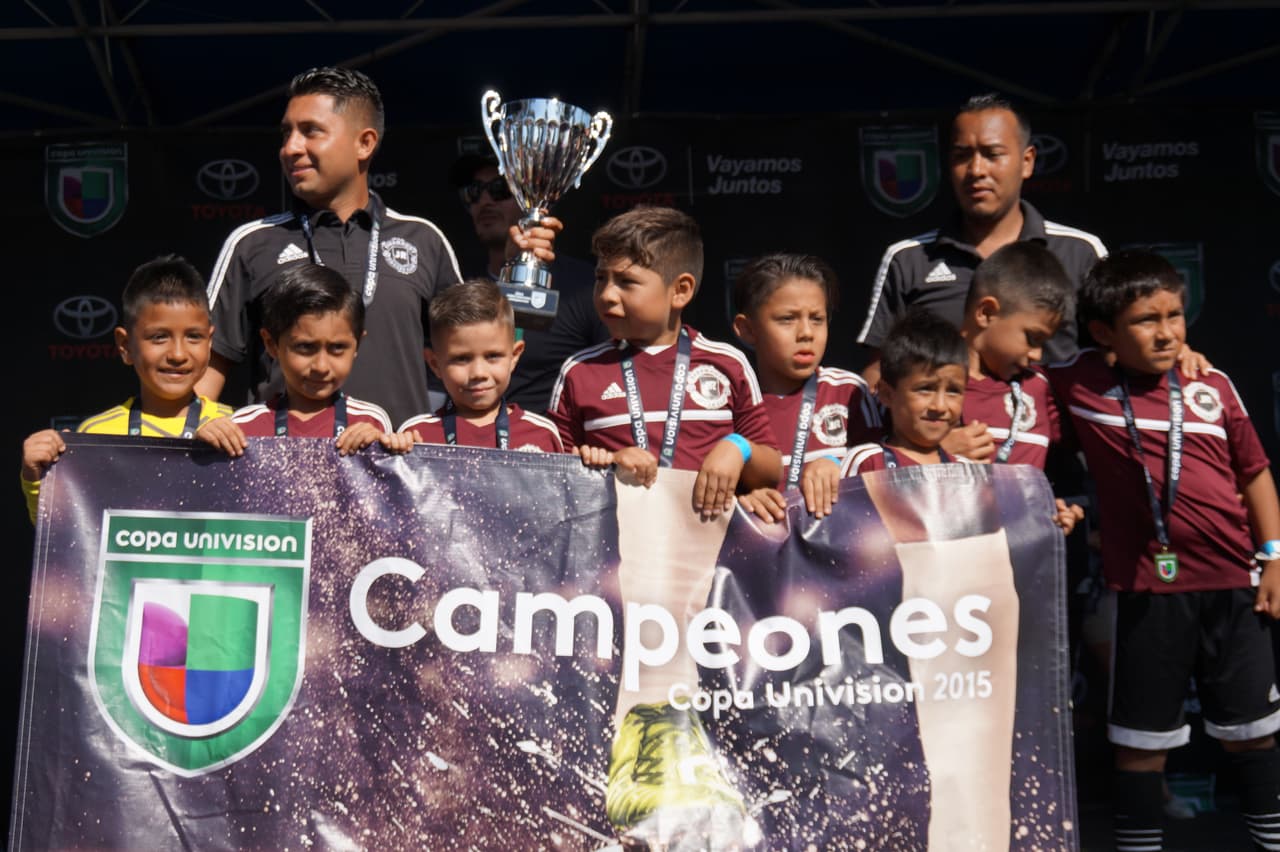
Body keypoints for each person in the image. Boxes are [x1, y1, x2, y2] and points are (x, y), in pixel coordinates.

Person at [1046, 250, 1280, 852]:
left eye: (1174, 315)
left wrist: (1275, 556)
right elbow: (1013, 392)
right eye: (1146, 320)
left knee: (1252, 735)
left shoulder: (1211, 384)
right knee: (1141, 745)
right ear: (1104, 333)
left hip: (1234, 586)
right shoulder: (1075, 382)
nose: (1167, 332)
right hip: (1147, 593)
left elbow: (1255, 473)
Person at [196, 66, 558, 429]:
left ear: (365, 143)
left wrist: (516, 277)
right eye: (286, 133)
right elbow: (204, 376)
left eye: (310, 131)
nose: (290, 148)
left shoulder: (424, 240)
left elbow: (478, 347)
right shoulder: (252, 243)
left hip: (399, 459)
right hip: (285, 458)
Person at [856, 94, 1106, 423]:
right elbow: (881, 373)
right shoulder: (909, 259)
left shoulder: (1081, 251)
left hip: (1055, 452)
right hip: (944, 453)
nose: (976, 170)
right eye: (962, 156)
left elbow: (1112, 356)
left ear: (1027, 161)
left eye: (992, 154)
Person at [549, 205, 782, 520]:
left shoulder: (727, 363)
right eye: (601, 278)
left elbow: (771, 471)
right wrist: (609, 462)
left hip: (709, 545)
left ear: (681, 291)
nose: (607, 295)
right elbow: (550, 478)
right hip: (615, 544)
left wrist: (738, 448)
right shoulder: (578, 372)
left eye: (626, 282)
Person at [21, 256, 240, 523]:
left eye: (194, 336)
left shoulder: (237, 426)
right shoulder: (96, 434)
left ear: (210, 342)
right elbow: (67, 531)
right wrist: (36, 478)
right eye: (159, 337)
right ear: (125, 346)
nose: (178, 354)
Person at [726, 252, 880, 523]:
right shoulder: (727, 399)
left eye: (817, 318)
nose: (807, 332)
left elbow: (885, 477)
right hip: (755, 544)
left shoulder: (849, 392)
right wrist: (740, 500)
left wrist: (839, 465)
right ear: (747, 329)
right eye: (787, 319)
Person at [449, 151, 608, 411]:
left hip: (558, 434)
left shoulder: (586, 286)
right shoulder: (458, 286)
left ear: (533, 199)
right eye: (473, 192)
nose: (485, 201)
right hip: (475, 434)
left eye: (500, 189)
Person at [229, 264, 412, 456]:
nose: (321, 366)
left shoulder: (371, 423)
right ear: (271, 344)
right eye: (305, 347)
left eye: (337, 347)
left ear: (357, 344)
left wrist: (392, 449)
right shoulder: (243, 428)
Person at [399, 279, 564, 452]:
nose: (479, 373)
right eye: (462, 359)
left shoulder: (543, 435)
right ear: (434, 364)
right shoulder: (415, 436)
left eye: (493, 356)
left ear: (514, 356)